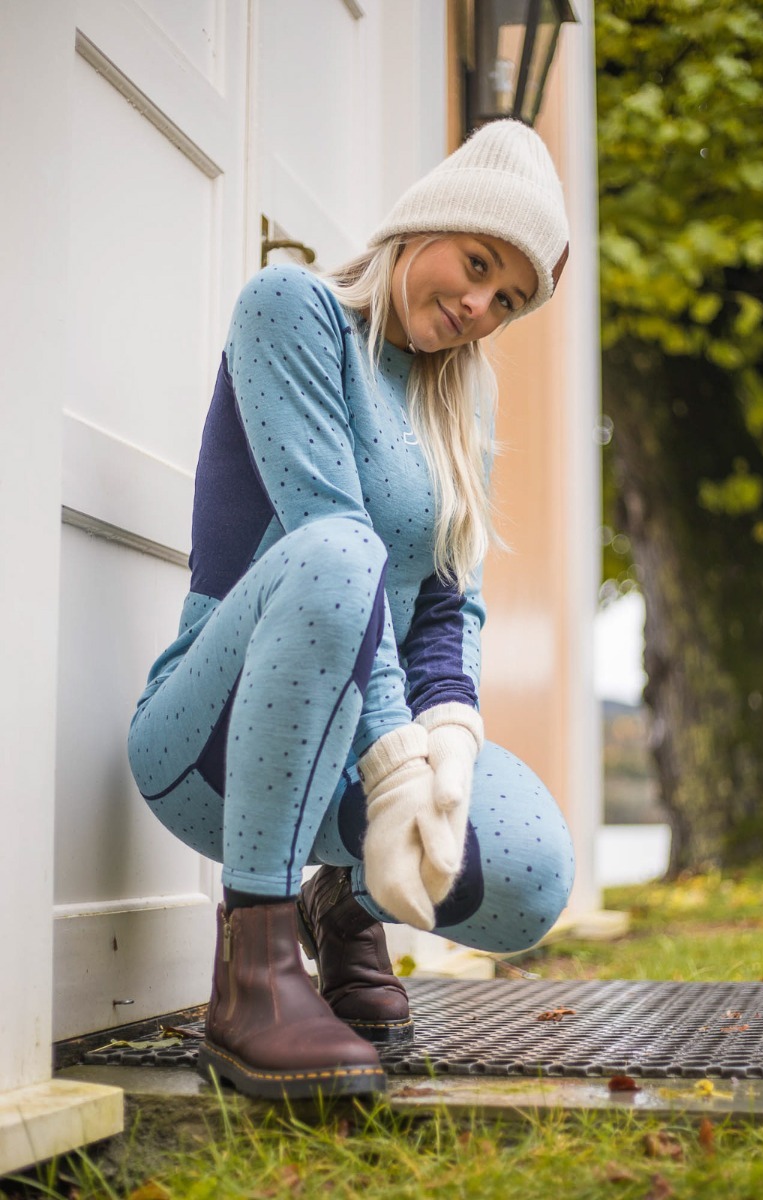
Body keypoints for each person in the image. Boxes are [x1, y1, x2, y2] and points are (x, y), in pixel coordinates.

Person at [128, 119, 575, 1100]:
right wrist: (397, 768)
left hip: (359, 761)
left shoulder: (467, 396)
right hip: (213, 744)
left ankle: (346, 904)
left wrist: (446, 754)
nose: (475, 306)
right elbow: (333, 542)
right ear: (431, 223)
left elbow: (449, 606)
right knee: (339, 551)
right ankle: (255, 967)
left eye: (505, 300)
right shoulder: (294, 310)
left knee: (535, 871)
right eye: (474, 264)